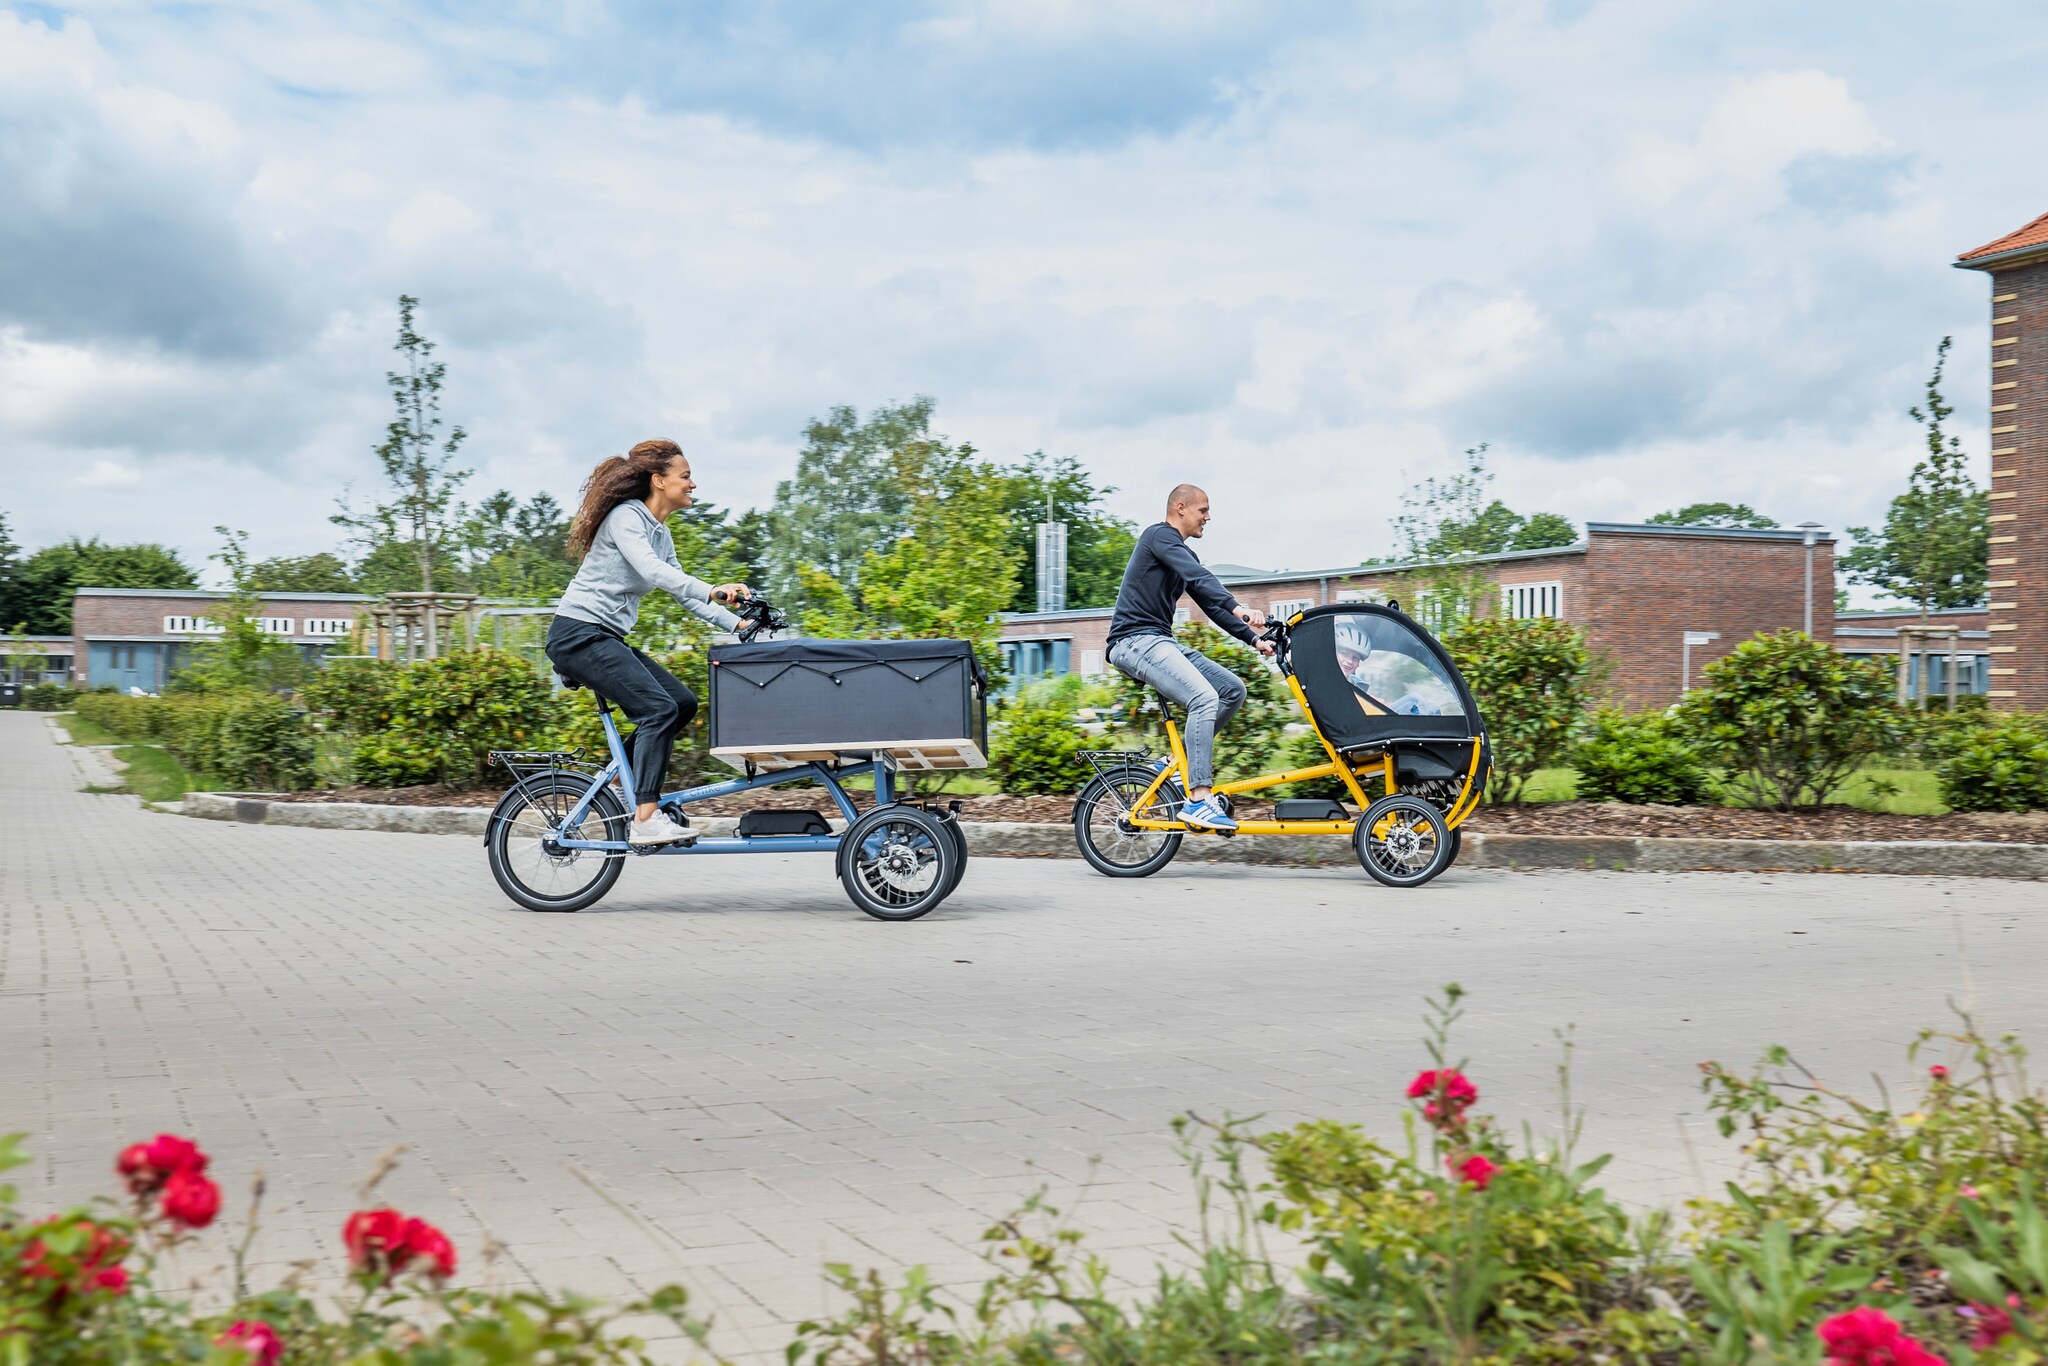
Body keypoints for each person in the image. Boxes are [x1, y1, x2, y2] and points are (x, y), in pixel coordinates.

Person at [546, 439, 751, 848]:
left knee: (682, 703)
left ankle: (620, 785)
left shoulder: (661, 534)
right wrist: (714, 589)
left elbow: (686, 595)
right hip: (577, 633)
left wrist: (739, 625)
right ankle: (644, 818)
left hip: (603, 636)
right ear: (659, 480)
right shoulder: (627, 517)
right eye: (686, 476)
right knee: (656, 709)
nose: (693, 484)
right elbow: (653, 571)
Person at [1105, 483, 1273, 832]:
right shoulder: (1159, 537)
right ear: (1180, 507)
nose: (1208, 517)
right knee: (1203, 697)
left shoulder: (1183, 555)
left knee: (1231, 690)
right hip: (1133, 640)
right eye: (1203, 510)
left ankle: (1175, 765)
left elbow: (1211, 604)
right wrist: (1241, 608)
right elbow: (1202, 579)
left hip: (1159, 640)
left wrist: (1254, 640)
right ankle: (1198, 798)